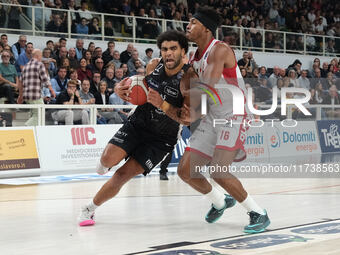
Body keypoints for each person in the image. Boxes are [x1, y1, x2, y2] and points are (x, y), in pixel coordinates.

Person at [78, 30, 195, 226]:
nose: (168, 53)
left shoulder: (190, 79)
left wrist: (163, 105)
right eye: (165, 49)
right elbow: (135, 86)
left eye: (173, 48)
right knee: (106, 160)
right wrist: (119, 89)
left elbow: (187, 120)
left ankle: (89, 209)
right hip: (139, 122)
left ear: (183, 51)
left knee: (122, 175)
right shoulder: (153, 65)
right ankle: (104, 163)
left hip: (162, 139)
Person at [179, 7, 270, 233]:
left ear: (206, 28)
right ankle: (221, 201)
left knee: (218, 170)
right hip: (213, 115)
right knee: (185, 170)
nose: (187, 26)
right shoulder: (193, 57)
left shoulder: (219, 49)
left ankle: (258, 213)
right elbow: (189, 90)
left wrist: (182, 101)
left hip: (235, 113)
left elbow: (204, 87)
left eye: (192, 22)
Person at [17, 49, 56, 126]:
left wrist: (20, 96)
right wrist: (51, 90)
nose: (41, 58)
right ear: (38, 56)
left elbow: (20, 83)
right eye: (41, 56)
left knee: (33, 114)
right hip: (35, 95)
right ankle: (26, 128)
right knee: (39, 115)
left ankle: (32, 133)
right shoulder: (39, 64)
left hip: (26, 96)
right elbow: (45, 79)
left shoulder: (25, 66)